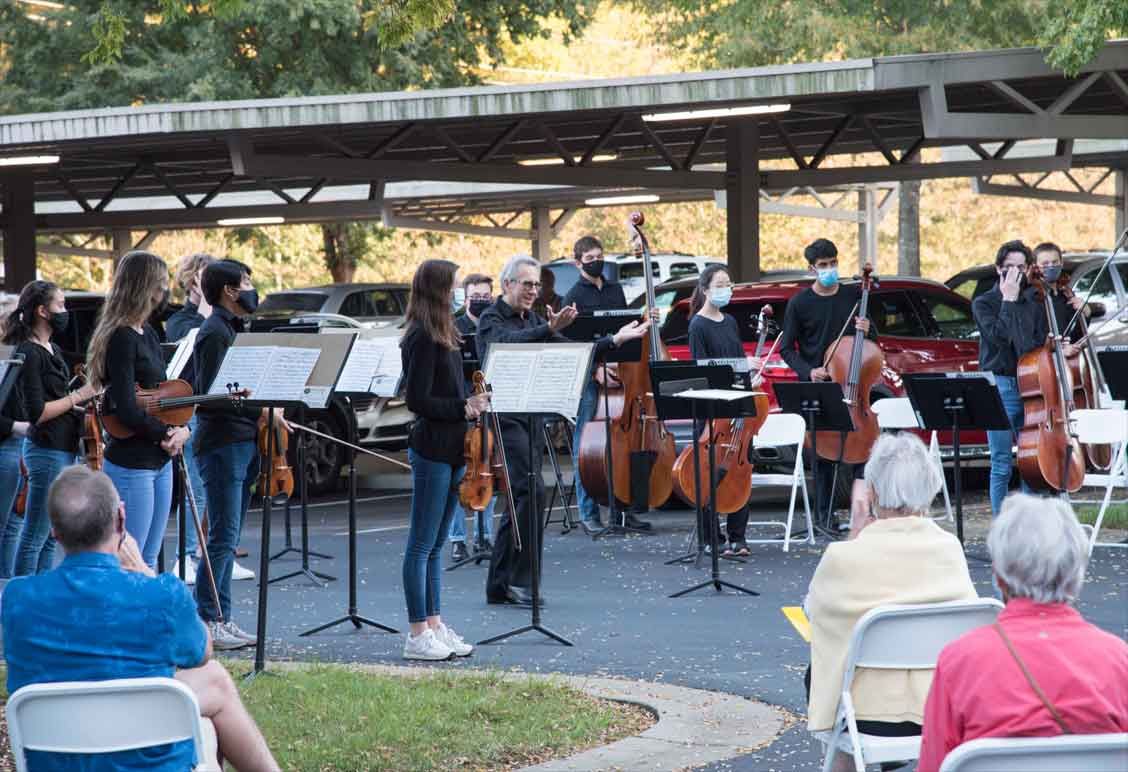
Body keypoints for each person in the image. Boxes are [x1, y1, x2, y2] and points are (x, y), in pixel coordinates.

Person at [1, 465, 280, 771]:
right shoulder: (161, 595)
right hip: (145, 750)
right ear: (121, 518)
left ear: (54, 531)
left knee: (212, 686)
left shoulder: (17, 599)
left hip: (60, 751)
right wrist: (146, 572)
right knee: (213, 692)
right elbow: (202, 651)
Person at [478, 255, 649, 606]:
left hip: (529, 416)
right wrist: (547, 328)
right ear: (507, 284)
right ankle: (518, 581)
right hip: (503, 416)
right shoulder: (490, 318)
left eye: (537, 285)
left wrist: (614, 341)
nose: (533, 291)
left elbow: (571, 352)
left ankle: (501, 583)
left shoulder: (535, 319)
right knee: (529, 491)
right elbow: (507, 346)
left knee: (525, 497)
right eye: (527, 284)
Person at [917, 494, 1128, 771]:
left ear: (999, 576)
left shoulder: (960, 662)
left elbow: (934, 764)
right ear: (1076, 573)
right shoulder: (1118, 661)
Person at [805, 432, 976, 772]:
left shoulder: (844, 557)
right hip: (940, 707)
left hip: (865, 716)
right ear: (929, 488)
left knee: (824, 671)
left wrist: (856, 535)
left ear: (873, 492)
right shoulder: (949, 549)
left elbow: (814, 612)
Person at [399, 260, 489, 660]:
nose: (458, 293)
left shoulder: (446, 332)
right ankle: (417, 633)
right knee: (421, 545)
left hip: (455, 446)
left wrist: (471, 403)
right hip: (432, 446)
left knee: (436, 545)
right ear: (438, 290)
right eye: (453, 286)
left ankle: (434, 624)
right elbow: (417, 400)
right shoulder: (420, 336)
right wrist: (464, 407)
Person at [192, 259, 284, 649]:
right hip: (223, 444)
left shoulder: (233, 328)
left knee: (228, 535)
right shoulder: (214, 332)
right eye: (246, 281)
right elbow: (212, 397)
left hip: (243, 440)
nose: (251, 287)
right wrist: (263, 409)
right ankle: (209, 619)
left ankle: (222, 616)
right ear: (229, 290)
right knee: (222, 536)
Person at [86, 250, 190, 570]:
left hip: (159, 459)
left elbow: (157, 398)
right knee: (130, 557)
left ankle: (144, 619)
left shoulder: (150, 333)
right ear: (145, 287)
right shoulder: (121, 337)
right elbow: (127, 410)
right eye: (160, 284)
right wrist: (167, 433)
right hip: (134, 462)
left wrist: (180, 428)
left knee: (148, 556)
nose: (164, 292)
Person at [777, 238, 873, 535]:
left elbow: (870, 345)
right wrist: (809, 371)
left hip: (852, 385)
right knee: (823, 456)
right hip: (819, 385)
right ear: (811, 269)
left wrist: (869, 330)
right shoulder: (800, 303)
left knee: (864, 454)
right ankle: (823, 518)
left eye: (833, 263)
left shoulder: (853, 297)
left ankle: (861, 513)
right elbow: (786, 349)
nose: (830, 269)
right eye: (823, 265)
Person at [560, 235, 652, 534]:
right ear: (578, 263)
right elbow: (572, 345)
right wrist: (594, 369)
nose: (597, 261)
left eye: (600, 255)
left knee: (621, 445)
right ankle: (589, 513)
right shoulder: (572, 296)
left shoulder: (615, 290)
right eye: (590, 259)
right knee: (586, 445)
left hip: (617, 373)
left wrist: (643, 323)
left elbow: (622, 332)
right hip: (588, 378)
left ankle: (623, 510)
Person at [8, 281, 97, 576]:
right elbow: (38, 412)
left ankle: (42, 595)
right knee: (35, 534)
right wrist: (78, 396)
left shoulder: (53, 348)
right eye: (60, 305)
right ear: (42, 311)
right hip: (45, 449)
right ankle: (21, 598)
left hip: (62, 446)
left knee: (48, 536)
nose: (65, 311)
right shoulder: (29, 352)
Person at [686, 265, 761, 556]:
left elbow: (736, 360)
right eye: (719, 284)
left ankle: (737, 537)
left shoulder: (729, 321)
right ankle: (710, 538)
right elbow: (703, 368)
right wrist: (741, 367)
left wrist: (749, 375)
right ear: (705, 290)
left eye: (729, 284)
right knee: (707, 473)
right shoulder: (697, 325)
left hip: (738, 403)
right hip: (712, 409)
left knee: (741, 468)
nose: (726, 289)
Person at [971, 240, 1046, 516]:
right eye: (1008, 268)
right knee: (1001, 460)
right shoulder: (984, 303)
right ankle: (1001, 527)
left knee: (1029, 460)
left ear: (1028, 269)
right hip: (1001, 384)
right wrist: (1008, 299)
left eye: (1020, 267)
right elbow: (1000, 337)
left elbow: (1033, 343)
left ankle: (1028, 525)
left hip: (1031, 384)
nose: (1014, 273)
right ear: (998, 269)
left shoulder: (1035, 300)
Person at [165, 252, 218, 586]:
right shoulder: (181, 319)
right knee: (195, 490)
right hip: (189, 411)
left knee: (211, 490)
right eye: (204, 278)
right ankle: (185, 556)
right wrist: (204, 310)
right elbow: (193, 345)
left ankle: (204, 553)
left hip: (212, 411)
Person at [448, 272, 495, 562]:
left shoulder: (494, 326)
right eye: (475, 297)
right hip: (463, 406)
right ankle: (457, 539)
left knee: (486, 470)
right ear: (465, 299)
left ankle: (484, 536)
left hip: (489, 406)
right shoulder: (454, 329)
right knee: (459, 474)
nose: (481, 301)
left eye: (485, 297)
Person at [1032, 241, 1085, 353]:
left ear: (1061, 263)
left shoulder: (1065, 294)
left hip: (1070, 362)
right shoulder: (1034, 297)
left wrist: (1085, 312)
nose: (1051, 266)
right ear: (1035, 267)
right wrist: (1059, 349)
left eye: (1055, 262)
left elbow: (1076, 334)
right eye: (1045, 264)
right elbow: (1032, 339)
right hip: (1047, 364)